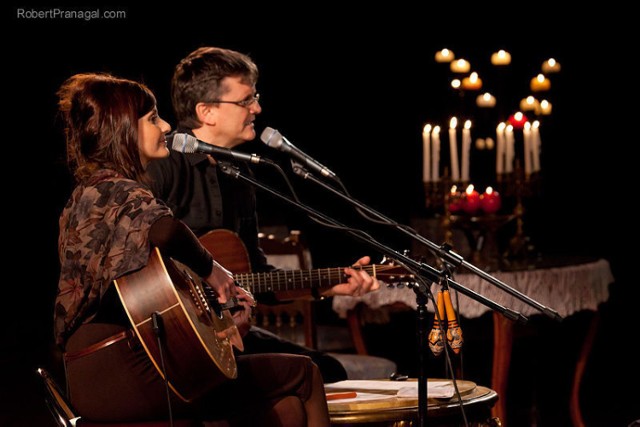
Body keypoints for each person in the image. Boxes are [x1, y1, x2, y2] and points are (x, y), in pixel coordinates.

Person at [54, 72, 331, 426]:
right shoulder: (117, 190)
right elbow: (167, 231)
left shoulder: (90, 194)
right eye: (153, 118)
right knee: (305, 374)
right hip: (121, 369)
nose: (166, 125)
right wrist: (215, 272)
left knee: (286, 410)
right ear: (123, 129)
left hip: (108, 371)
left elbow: (149, 299)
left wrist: (220, 326)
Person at [146, 47, 380, 383]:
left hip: (225, 334)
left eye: (255, 96)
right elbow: (139, 255)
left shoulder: (240, 175)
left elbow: (256, 278)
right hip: (171, 340)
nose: (257, 108)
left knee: (327, 370)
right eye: (246, 100)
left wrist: (330, 286)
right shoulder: (163, 164)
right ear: (206, 111)